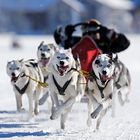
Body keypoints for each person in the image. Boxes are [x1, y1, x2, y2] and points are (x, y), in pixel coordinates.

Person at [53, 19, 130, 54]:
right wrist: (68, 36)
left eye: (94, 32)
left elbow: (125, 44)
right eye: (88, 33)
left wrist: (107, 32)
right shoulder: (78, 43)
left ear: (100, 33)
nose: (90, 37)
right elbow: (61, 43)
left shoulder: (107, 47)